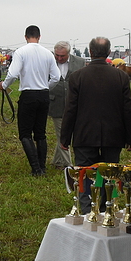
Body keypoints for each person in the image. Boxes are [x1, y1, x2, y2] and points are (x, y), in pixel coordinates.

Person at [60, 36, 131, 213]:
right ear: (108, 53)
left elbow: (70, 110)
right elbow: (128, 110)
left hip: (84, 135)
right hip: (113, 136)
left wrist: (65, 138)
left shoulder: (77, 76)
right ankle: (106, 209)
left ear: (91, 52)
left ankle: (88, 211)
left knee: (86, 175)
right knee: (109, 177)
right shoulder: (121, 77)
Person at [0, 25, 60, 176]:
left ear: (25, 37)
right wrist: (46, 86)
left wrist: (4, 85)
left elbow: (12, 74)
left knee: (25, 134)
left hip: (28, 95)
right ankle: (42, 168)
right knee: (40, 133)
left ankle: (36, 169)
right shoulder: (48, 53)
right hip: (44, 95)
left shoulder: (21, 52)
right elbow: (56, 77)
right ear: (39, 37)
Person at [48, 41, 86, 169]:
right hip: (56, 104)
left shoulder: (80, 62)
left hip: (75, 104)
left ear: (69, 54)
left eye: (62, 56)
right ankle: (68, 166)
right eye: (57, 55)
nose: (59, 58)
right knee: (62, 135)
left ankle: (57, 161)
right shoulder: (48, 61)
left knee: (66, 134)